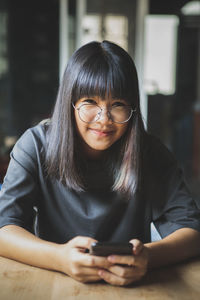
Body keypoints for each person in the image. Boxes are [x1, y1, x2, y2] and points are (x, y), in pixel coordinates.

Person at [0, 40, 200, 287]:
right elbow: (4, 229)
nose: (103, 119)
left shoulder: (150, 153)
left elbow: (192, 231)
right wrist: (60, 257)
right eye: (90, 103)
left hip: (131, 287)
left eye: (117, 105)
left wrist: (148, 257)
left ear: (133, 108)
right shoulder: (35, 145)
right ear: (70, 103)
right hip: (52, 283)